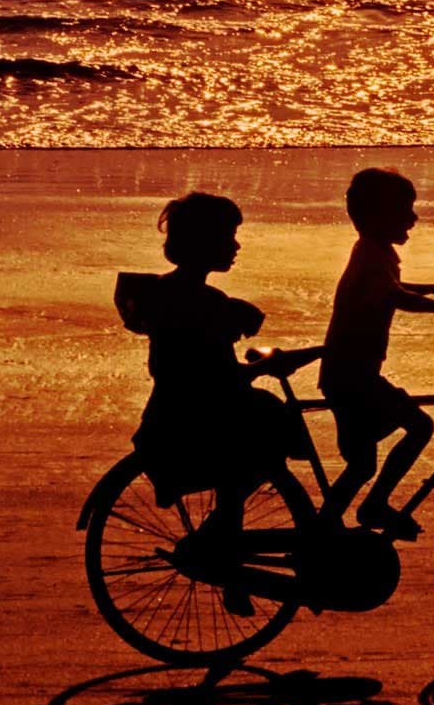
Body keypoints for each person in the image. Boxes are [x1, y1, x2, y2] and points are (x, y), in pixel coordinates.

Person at [116, 192, 312, 613]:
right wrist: (263, 368)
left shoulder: (167, 296)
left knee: (251, 447)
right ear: (204, 242)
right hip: (193, 428)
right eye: (229, 236)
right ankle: (227, 554)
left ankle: (228, 552)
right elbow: (215, 380)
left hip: (172, 422)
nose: (236, 246)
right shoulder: (205, 306)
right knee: (263, 439)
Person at [319, 167, 434, 539]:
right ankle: (371, 507)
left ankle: (325, 525)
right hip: (353, 376)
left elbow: (396, 287)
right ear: (377, 216)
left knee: (362, 463)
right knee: (418, 426)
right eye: (403, 210)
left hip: (350, 374)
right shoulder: (371, 256)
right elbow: (395, 296)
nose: (413, 217)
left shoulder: (375, 252)